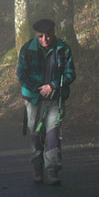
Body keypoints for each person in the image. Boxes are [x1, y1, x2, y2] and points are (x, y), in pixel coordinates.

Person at [16, 18, 76, 185]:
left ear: (53, 33)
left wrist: (53, 86)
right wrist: (38, 88)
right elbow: (21, 74)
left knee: (52, 133)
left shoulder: (63, 49)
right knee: (35, 134)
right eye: (41, 36)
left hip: (55, 99)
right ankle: (37, 167)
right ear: (36, 35)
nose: (45, 39)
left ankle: (52, 170)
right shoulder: (27, 49)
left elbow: (70, 73)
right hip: (33, 99)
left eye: (48, 35)